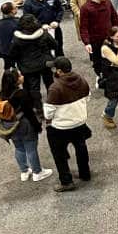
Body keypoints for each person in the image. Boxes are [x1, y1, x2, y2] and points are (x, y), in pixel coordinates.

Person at [43, 56, 92, 189]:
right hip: (80, 122)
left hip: (61, 127)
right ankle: (85, 173)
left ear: (59, 71)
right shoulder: (81, 80)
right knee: (81, 147)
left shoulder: (55, 88)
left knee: (58, 154)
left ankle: (66, 181)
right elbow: (88, 97)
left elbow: (48, 112)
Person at [0, 68, 48, 183]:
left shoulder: (2, 94)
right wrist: (37, 126)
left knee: (19, 148)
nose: (22, 76)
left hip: (10, 126)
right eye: (19, 75)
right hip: (24, 124)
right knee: (31, 148)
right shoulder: (21, 94)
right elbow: (29, 113)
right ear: (15, 80)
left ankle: (24, 171)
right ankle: (37, 172)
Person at [78, 0, 118, 78]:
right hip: (95, 41)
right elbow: (83, 27)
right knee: (97, 62)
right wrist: (87, 43)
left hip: (109, 39)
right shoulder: (86, 8)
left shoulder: (108, 3)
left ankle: (111, 78)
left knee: (112, 58)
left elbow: (114, 18)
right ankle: (100, 77)